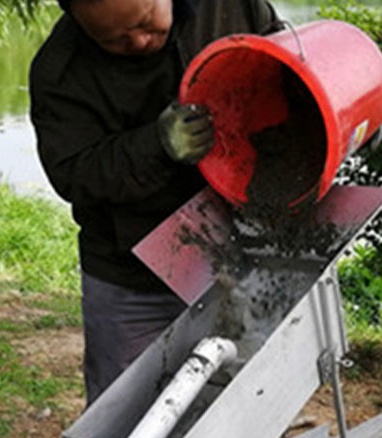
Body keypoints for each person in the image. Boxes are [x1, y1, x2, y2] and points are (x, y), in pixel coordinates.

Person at [29, 0, 280, 406]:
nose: (140, 40)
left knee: (239, 404)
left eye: (145, 22)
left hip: (235, 253)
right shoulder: (60, 72)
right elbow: (75, 174)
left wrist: (341, 105)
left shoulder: (229, 6)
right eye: (115, 39)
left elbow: (282, 58)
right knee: (123, 419)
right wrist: (156, 146)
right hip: (130, 275)